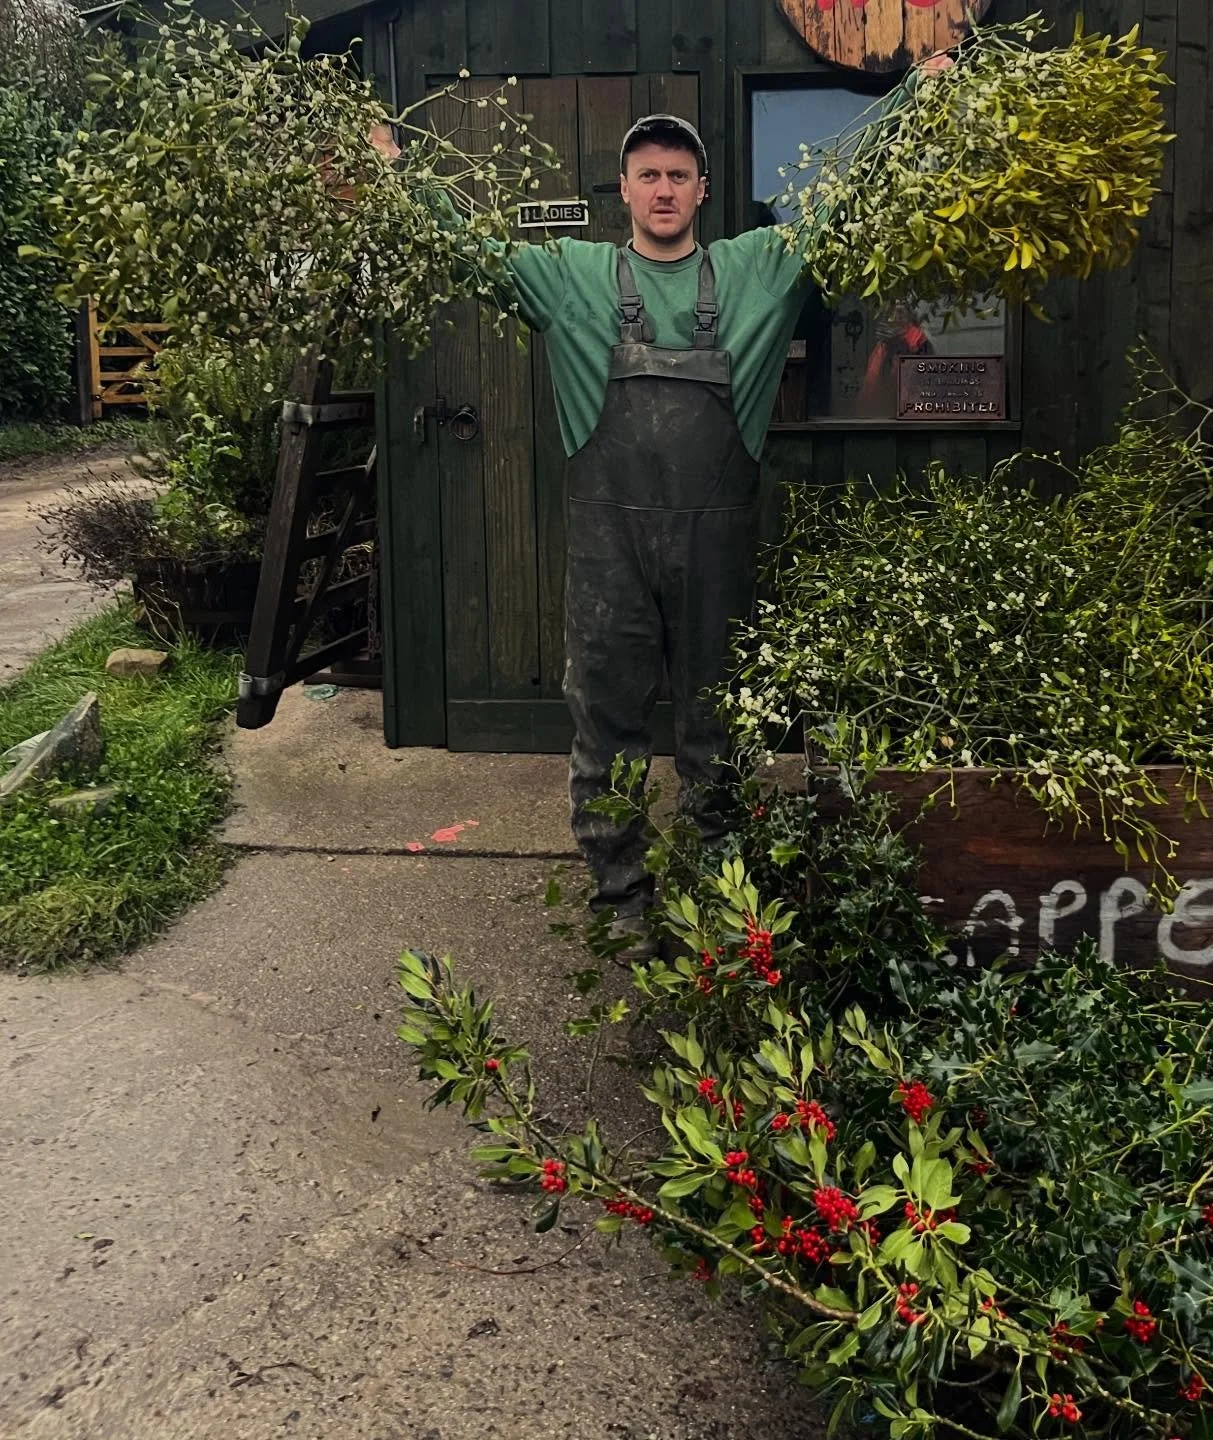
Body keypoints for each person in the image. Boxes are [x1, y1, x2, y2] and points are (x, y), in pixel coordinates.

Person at [377, 60, 951, 960]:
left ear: (704, 190)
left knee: (715, 728)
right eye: (647, 172)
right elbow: (473, 254)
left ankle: (718, 892)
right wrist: (393, 169)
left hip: (717, 546)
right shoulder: (572, 276)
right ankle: (623, 896)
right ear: (624, 190)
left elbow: (848, 195)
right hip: (608, 551)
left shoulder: (760, 269)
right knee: (605, 725)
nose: (663, 187)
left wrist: (924, 97)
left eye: (679, 173)